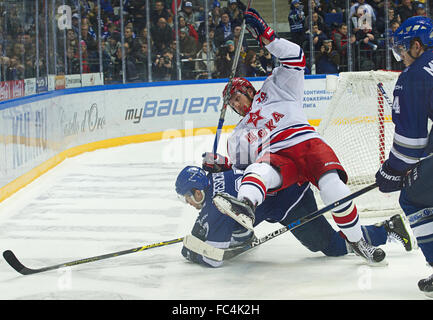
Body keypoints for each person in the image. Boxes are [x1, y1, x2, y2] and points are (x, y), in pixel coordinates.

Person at [209, 7, 387, 264]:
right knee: (257, 172)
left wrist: (267, 37)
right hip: (278, 159)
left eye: (236, 97)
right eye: (232, 104)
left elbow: (296, 58)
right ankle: (246, 206)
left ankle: (358, 242)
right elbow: (242, 169)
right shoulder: (239, 135)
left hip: (304, 142)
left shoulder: (276, 88)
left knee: (333, 189)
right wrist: (220, 166)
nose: (236, 105)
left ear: (247, 89)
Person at [176, 166, 413, 267]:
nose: (187, 203)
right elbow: (239, 228)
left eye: (186, 197)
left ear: (197, 192)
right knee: (240, 229)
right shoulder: (218, 177)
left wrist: (192, 252)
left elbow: (213, 260)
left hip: (289, 202)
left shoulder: (215, 210)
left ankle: (387, 229)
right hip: (283, 189)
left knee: (330, 246)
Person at [374, 16, 433, 298]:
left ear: (417, 47)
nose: (401, 58)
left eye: (402, 50)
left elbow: (411, 144)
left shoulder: (414, 75)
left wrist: (390, 172)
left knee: (412, 195)